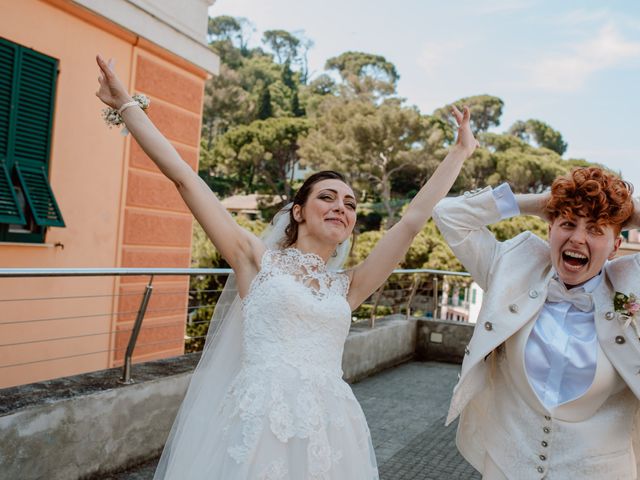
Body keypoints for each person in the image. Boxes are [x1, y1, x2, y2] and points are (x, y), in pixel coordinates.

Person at [95, 54, 476, 479]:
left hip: (330, 431)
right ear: (297, 212)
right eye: (327, 197)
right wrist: (126, 105)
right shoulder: (255, 260)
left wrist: (460, 152)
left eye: (350, 204)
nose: (341, 207)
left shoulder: (349, 286)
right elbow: (185, 178)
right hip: (258, 425)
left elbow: (411, 220)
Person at [433, 167, 640, 479]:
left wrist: (627, 212)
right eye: (567, 223)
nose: (578, 238)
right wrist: (540, 201)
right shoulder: (513, 267)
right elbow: (448, 214)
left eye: (596, 230)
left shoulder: (632, 286)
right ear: (549, 229)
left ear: (614, 246)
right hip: (506, 466)